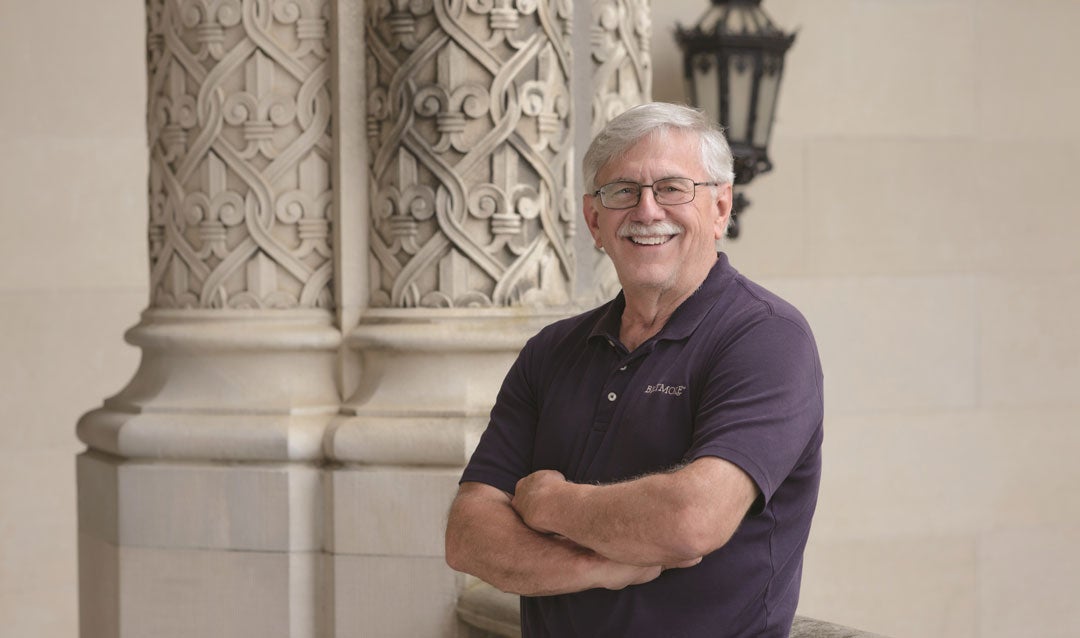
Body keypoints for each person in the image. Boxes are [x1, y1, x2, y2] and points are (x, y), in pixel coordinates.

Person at [444, 102, 824, 637]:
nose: (647, 211)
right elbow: (468, 536)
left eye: (672, 188)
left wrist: (551, 502)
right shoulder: (551, 350)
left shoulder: (766, 338)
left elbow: (693, 518)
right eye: (622, 191)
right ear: (594, 221)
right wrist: (600, 568)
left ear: (720, 208)